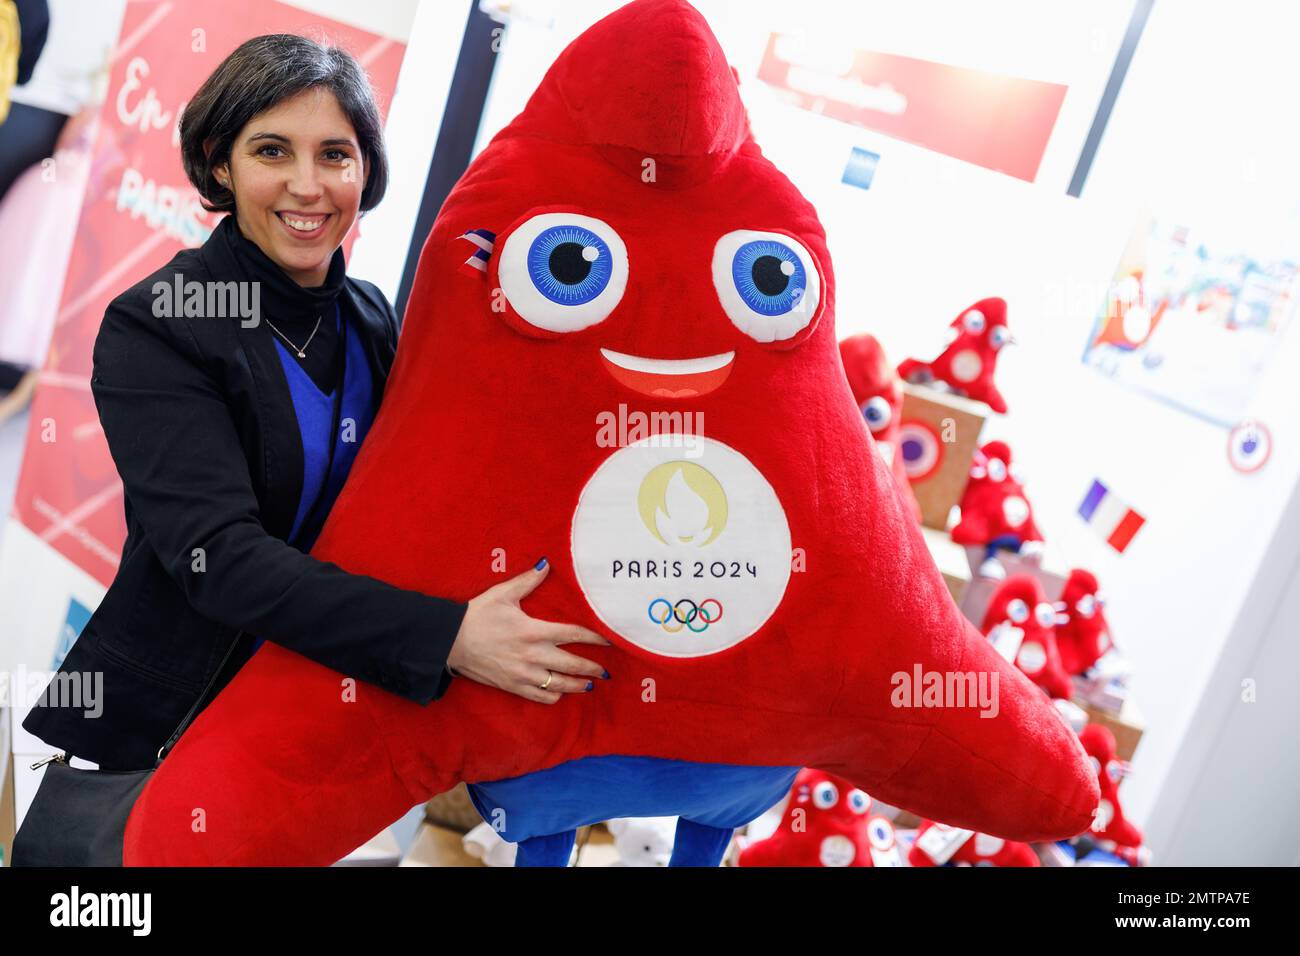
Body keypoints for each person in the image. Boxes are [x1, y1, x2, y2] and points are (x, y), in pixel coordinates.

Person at [22, 33, 608, 773]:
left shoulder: (369, 316)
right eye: (272, 151)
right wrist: (449, 637)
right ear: (218, 162)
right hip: (165, 724)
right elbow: (221, 562)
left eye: (335, 154)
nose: (309, 185)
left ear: (366, 169)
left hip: (316, 714)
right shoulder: (160, 321)